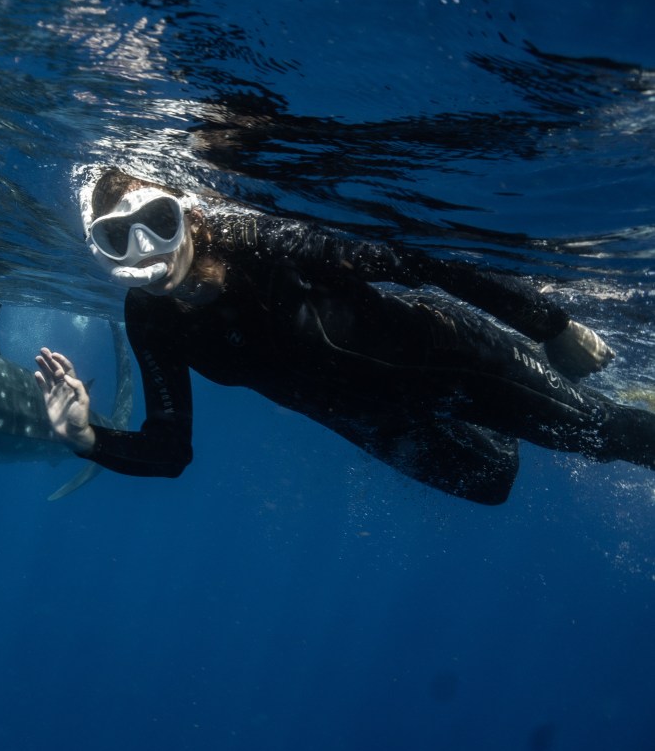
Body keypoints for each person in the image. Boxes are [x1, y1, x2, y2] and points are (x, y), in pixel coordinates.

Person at [34, 169, 655, 504]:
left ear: (189, 215)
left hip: (458, 363)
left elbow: (422, 262)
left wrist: (552, 324)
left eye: (158, 222)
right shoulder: (151, 319)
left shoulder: (268, 247)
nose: (146, 250)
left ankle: (581, 385)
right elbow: (170, 450)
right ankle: (527, 406)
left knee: (611, 437)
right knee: (493, 485)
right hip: (377, 423)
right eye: (119, 237)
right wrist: (87, 439)